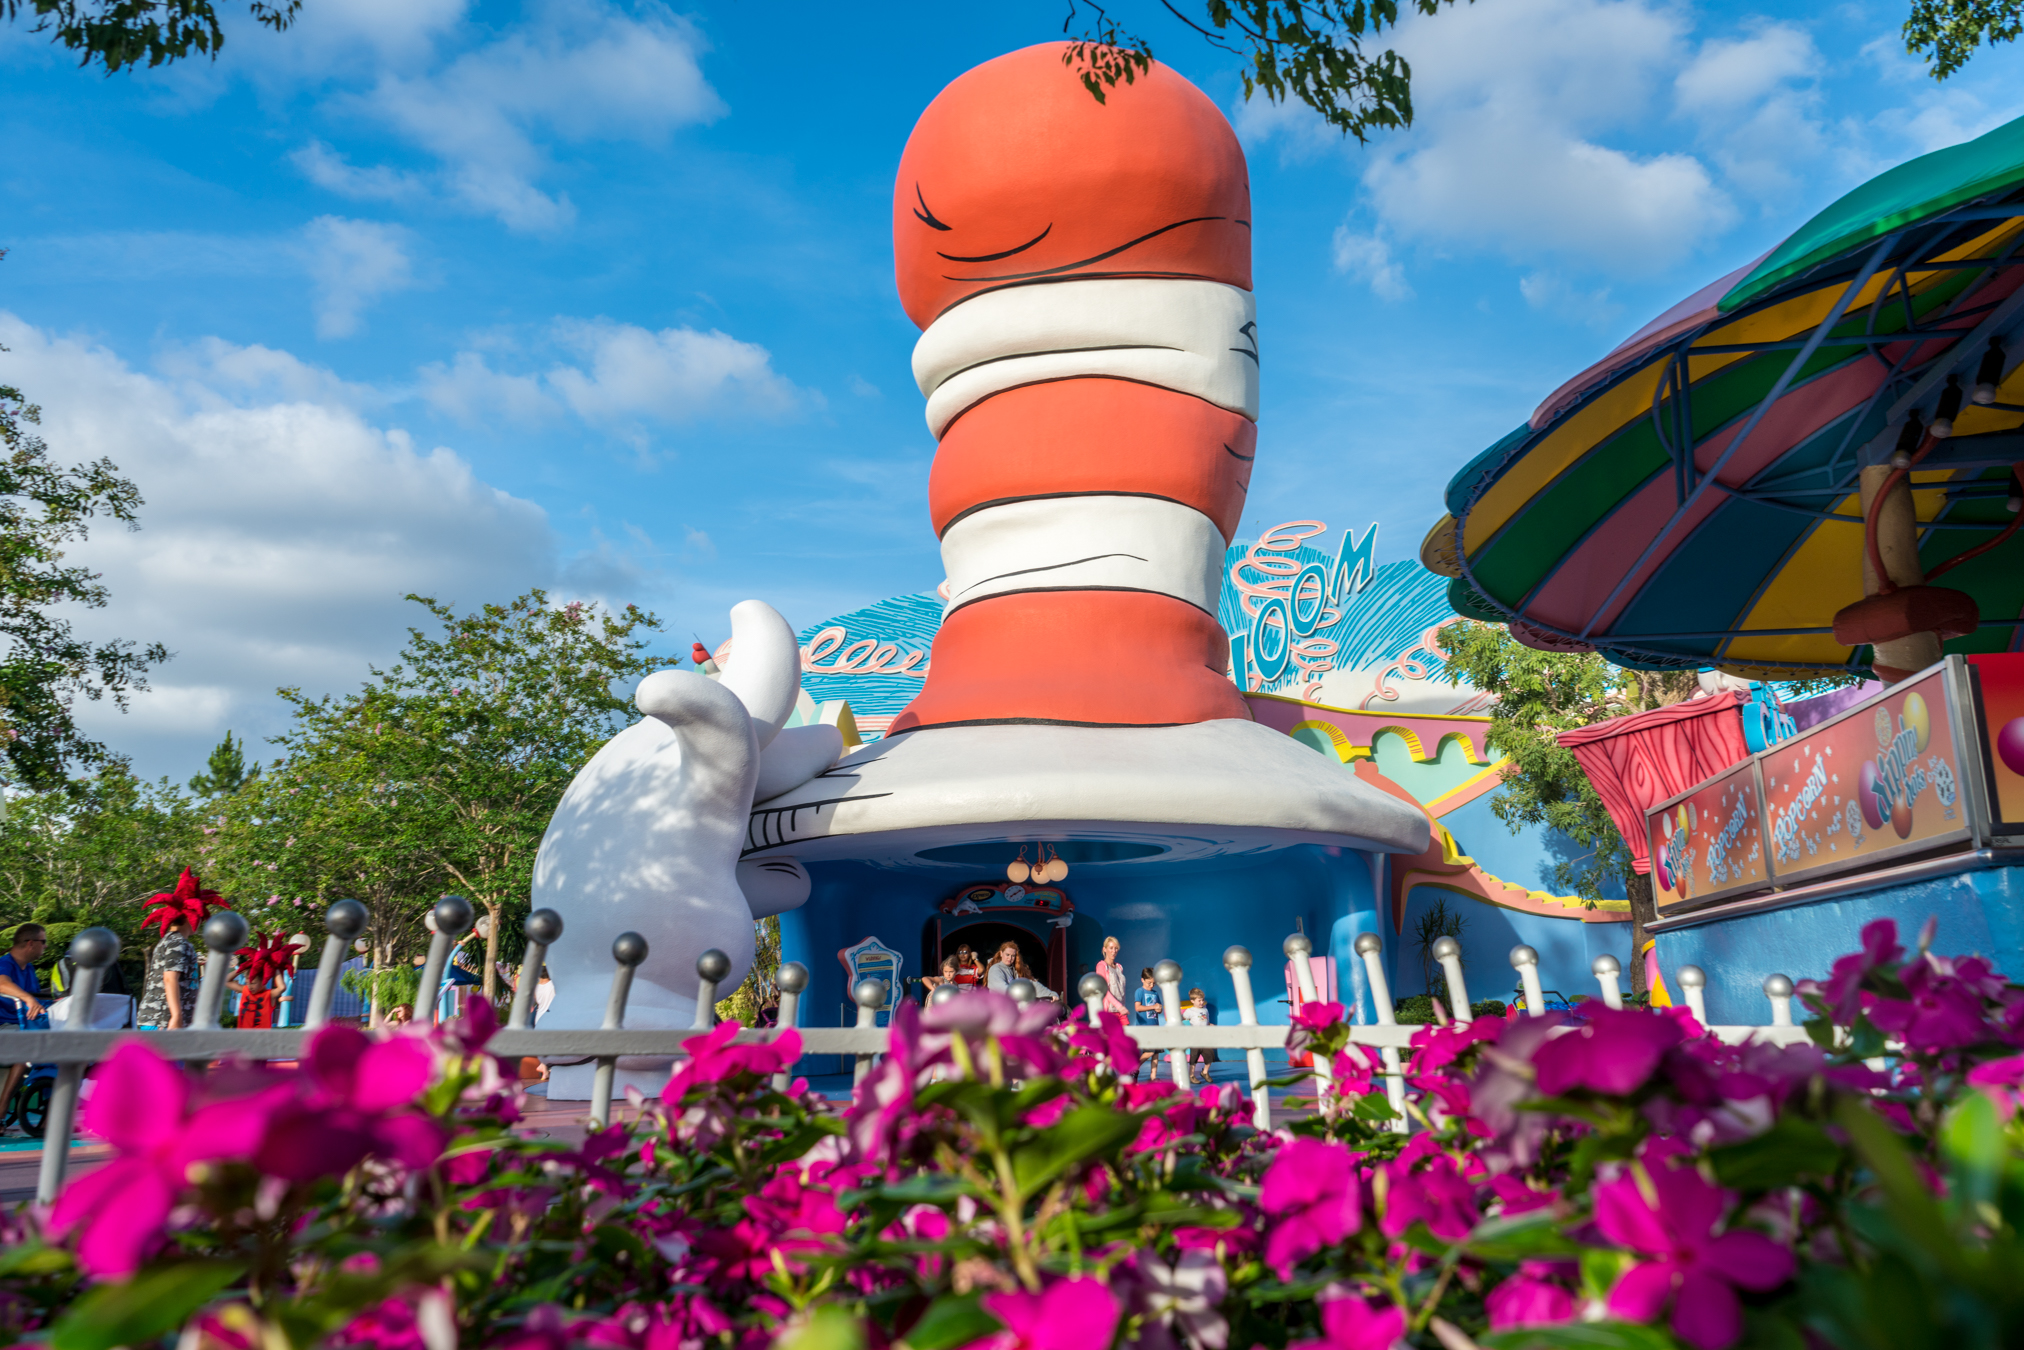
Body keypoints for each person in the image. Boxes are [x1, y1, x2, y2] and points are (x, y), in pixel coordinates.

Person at [0, 924, 50, 1134]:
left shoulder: (29, 969)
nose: (45, 947)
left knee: (51, 1043)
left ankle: (51, 1113)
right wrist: (28, 998)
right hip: (5, 1026)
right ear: (31, 943)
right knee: (27, 1047)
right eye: (43, 942)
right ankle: (1, 1112)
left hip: (19, 1027)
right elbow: (2, 983)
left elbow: (36, 998)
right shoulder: (5, 963)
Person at [139, 913, 200, 1031]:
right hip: (164, 1020)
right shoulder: (177, 942)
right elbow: (170, 978)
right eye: (200, 916)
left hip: (167, 1020)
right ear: (189, 916)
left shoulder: (175, 941)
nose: (201, 921)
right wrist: (176, 1016)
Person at [1132, 968, 1163, 1079]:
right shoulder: (1139, 991)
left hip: (1155, 1026)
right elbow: (1138, 1007)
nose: (1151, 985)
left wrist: (1159, 1009)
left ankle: (1153, 1077)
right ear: (1142, 980)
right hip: (1144, 1027)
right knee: (1149, 1051)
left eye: (1154, 983)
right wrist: (1153, 1006)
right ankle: (1134, 1067)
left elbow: (1159, 1008)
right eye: (1149, 983)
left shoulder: (1155, 993)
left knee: (1156, 1053)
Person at [1182, 987, 1213, 1084]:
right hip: (1195, 1038)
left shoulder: (1205, 1010)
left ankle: (1205, 1072)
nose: (1201, 1002)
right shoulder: (1189, 1011)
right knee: (1193, 1058)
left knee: (1210, 1056)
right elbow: (1182, 1019)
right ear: (1192, 1001)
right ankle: (1191, 1075)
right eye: (1199, 1000)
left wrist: (1211, 1025)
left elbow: (1206, 1022)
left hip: (1205, 1038)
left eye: (1202, 1000)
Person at [1094, 935, 1129, 1018]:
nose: (1114, 951)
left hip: (1121, 1009)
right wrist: (1118, 1005)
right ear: (1104, 949)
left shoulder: (1119, 967)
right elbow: (1103, 989)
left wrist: (1121, 1006)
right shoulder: (1101, 966)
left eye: (1116, 948)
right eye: (1111, 948)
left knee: (1126, 1030)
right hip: (1109, 1010)